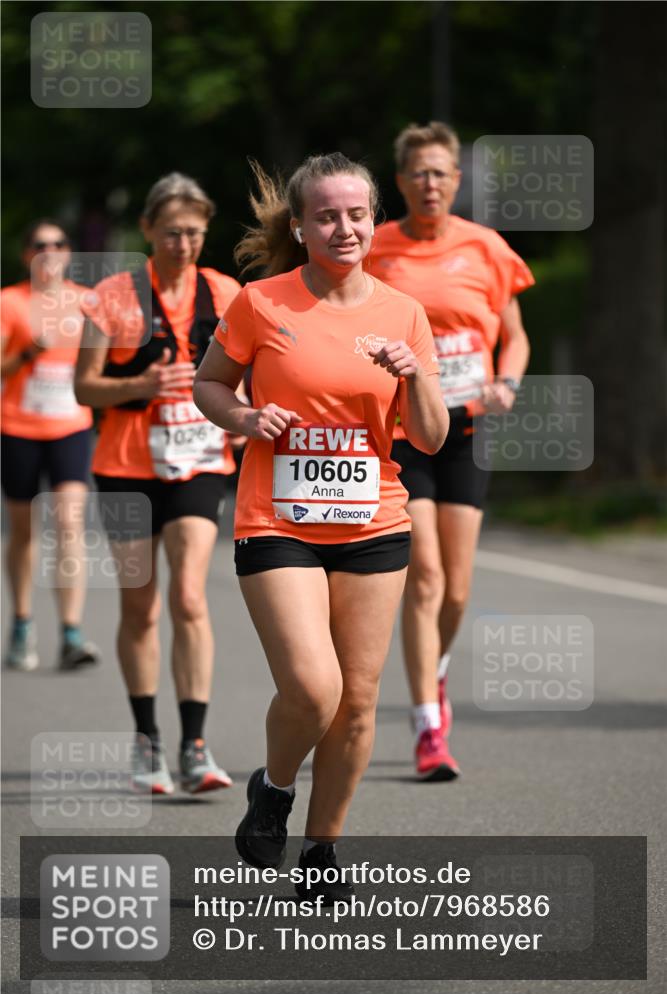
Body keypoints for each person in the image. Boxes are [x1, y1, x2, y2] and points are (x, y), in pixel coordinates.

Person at [194, 153, 448, 898]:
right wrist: (243, 416)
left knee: (358, 701)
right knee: (312, 686)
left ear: (373, 220)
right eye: (327, 216)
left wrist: (414, 374)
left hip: (372, 520)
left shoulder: (403, 313)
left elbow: (428, 438)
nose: (345, 227)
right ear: (300, 227)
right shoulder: (259, 303)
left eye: (357, 214)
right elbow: (210, 383)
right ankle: (273, 789)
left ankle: (320, 851)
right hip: (277, 517)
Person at [368, 122, 534, 781]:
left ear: (456, 182)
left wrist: (508, 382)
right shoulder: (376, 250)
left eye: (441, 173)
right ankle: (426, 725)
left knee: (458, 590)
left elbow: (514, 335)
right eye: (417, 173)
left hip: (467, 425)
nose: (429, 184)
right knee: (426, 579)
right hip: (405, 428)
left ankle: (433, 672)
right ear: (400, 181)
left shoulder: (486, 247)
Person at [74, 173, 241, 795]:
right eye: (171, 232)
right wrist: (140, 386)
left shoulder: (224, 293)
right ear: (147, 229)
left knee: (190, 598)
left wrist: (245, 413)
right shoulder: (112, 297)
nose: (183, 243)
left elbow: (251, 373)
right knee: (140, 606)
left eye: (195, 233)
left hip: (199, 463)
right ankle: (148, 742)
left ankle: (195, 745)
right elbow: (84, 387)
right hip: (123, 470)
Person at [1, 220, 100, 671]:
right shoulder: (10, 302)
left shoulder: (86, 302)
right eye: (40, 244)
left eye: (59, 243)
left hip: (71, 427)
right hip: (18, 427)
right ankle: (22, 622)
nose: (50, 250)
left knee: (69, 526)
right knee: (24, 532)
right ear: (28, 255)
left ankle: (71, 632)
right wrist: (28, 353)